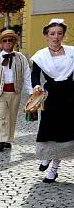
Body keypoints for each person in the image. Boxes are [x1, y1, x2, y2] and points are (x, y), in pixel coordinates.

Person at [30, 19, 74, 183]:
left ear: (63, 34)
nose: (56, 37)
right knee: (50, 131)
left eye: (59, 33)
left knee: (66, 133)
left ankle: (54, 170)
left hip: (70, 95)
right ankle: (47, 156)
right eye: (52, 33)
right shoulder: (41, 55)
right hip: (51, 96)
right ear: (46, 35)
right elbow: (35, 74)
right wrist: (36, 86)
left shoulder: (71, 52)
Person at [0, 29, 31, 152]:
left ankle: (8, 139)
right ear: (1, 43)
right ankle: (0, 139)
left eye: (10, 40)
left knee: (12, 116)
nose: (8, 43)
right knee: (0, 116)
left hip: (15, 92)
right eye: (5, 40)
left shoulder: (21, 58)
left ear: (14, 42)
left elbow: (27, 76)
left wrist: (31, 92)